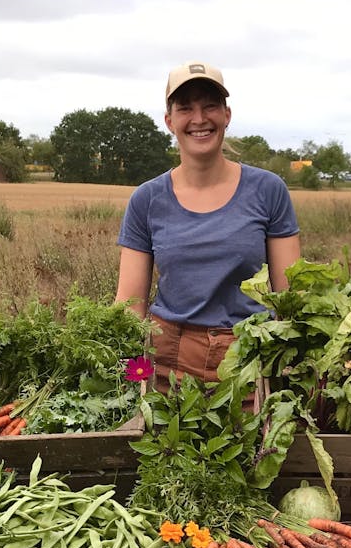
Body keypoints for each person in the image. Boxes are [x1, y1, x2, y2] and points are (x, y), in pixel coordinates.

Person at [115, 61, 301, 390]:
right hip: (167, 365)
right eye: (185, 108)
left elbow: (291, 296)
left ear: (226, 115)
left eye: (210, 106)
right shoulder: (146, 200)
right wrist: (128, 385)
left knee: (253, 443)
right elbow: (130, 304)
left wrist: (289, 367)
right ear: (170, 121)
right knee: (166, 444)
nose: (199, 119)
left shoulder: (268, 191)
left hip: (247, 362)